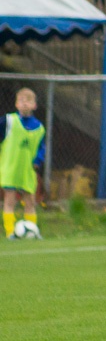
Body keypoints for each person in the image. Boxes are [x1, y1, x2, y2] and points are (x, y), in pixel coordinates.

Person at [0, 88, 46, 239]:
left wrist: (38, 160)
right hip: (10, 168)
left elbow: (41, 147)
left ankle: (32, 231)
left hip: (28, 170)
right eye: (21, 101)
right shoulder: (8, 121)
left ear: (34, 105)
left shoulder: (39, 128)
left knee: (30, 202)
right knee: (9, 200)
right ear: (16, 104)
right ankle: (10, 232)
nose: (24, 104)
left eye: (28, 101)